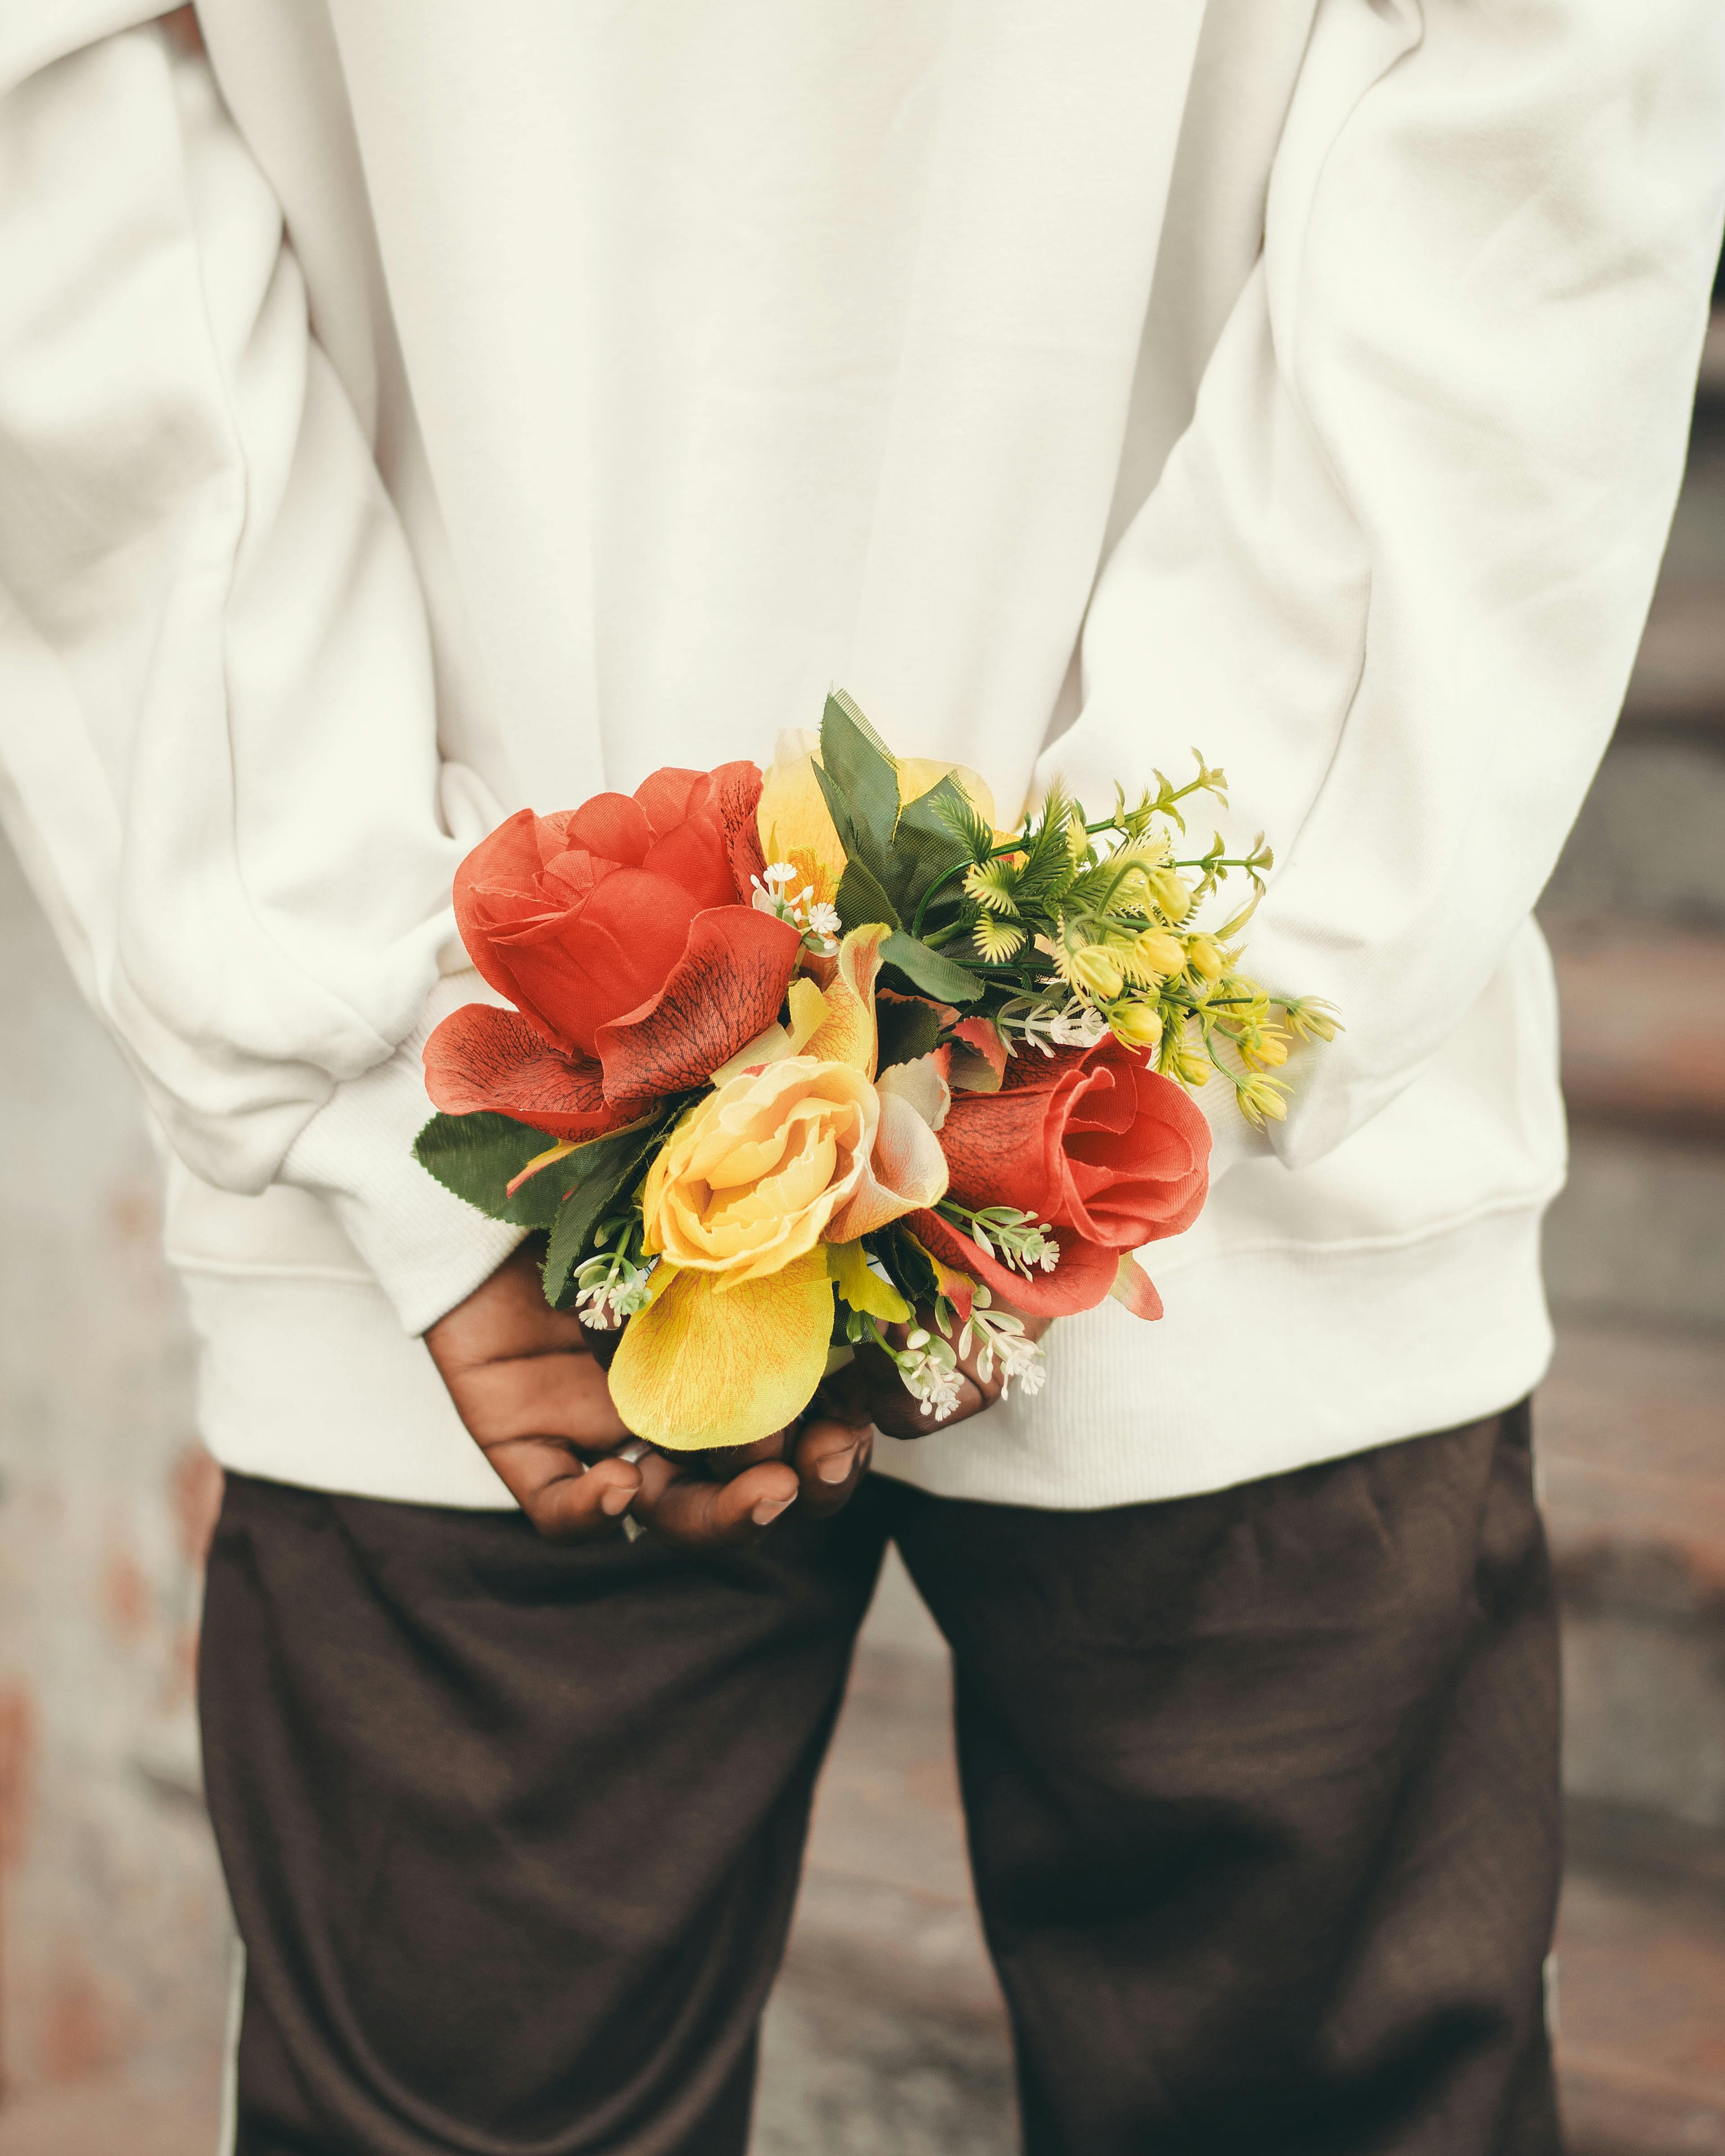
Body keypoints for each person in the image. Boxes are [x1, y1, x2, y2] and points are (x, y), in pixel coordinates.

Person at [2, 5, 1721, 2151]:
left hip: (734, 1177)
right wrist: (1178, 950)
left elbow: (59, 169)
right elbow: (1552, 119)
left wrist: (359, 989)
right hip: (676, 1229)